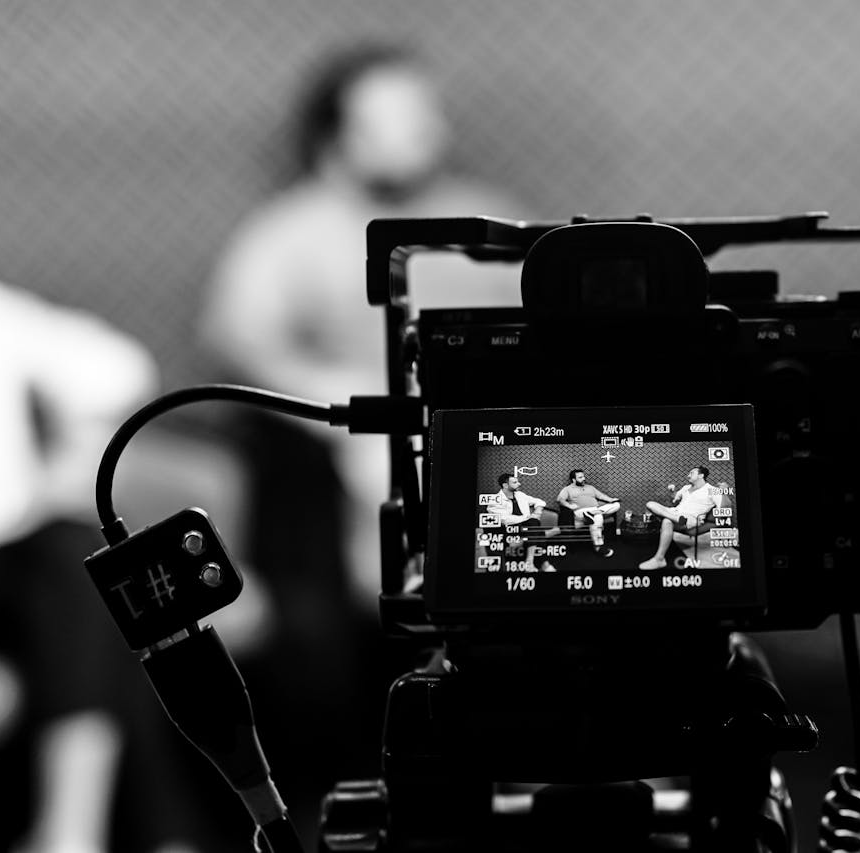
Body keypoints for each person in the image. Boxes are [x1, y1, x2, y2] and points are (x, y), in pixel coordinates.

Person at [198, 43, 530, 839]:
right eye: (401, 112)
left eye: (428, 110)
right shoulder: (291, 231)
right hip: (337, 471)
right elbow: (238, 342)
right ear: (336, 130)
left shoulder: (481, 217)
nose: (429, 126)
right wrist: (353, 410)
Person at [0, 205, 203, 852]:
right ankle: (149, 837)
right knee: (100, 586)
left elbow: (115, 366)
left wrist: (70, 447)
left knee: (95, 572)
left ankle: (71, 834)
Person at [638, 465, 723, 570]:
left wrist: (724, 492)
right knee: (650, 504)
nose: (688, 475)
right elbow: (675, 498)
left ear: (701, 475)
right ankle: (675, 518)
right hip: (675, 513)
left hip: (691, 518)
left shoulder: (712, 490)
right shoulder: (686, 488)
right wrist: (672, 492)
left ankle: (659, 559)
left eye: (691, 473)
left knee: (666, 521)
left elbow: (723, 506)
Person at [488, 473, 559, 571]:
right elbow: (504, 520)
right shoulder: (494, 500)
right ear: (505, 485)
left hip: (527, 529)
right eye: (515, 482)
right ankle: (544, 564)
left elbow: (539, 502)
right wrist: (528, 517)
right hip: (510, 531)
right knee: (535, 527)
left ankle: (529, 562)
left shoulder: (520, 495)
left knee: (534, 526)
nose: (519, 484)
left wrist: (537, 512)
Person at [556, 469, 620, 557]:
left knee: (616, 505)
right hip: (580, 512)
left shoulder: (590, 487)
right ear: (573, 479)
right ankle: (597, 546)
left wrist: (611, 500)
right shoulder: (567, 489)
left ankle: (593, 514)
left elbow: (601, 496)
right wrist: (569, 505)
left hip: (594, 510)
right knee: (598, 516)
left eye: (583, 476)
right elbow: (560, 499)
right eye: (580, 477)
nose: (583, 478)